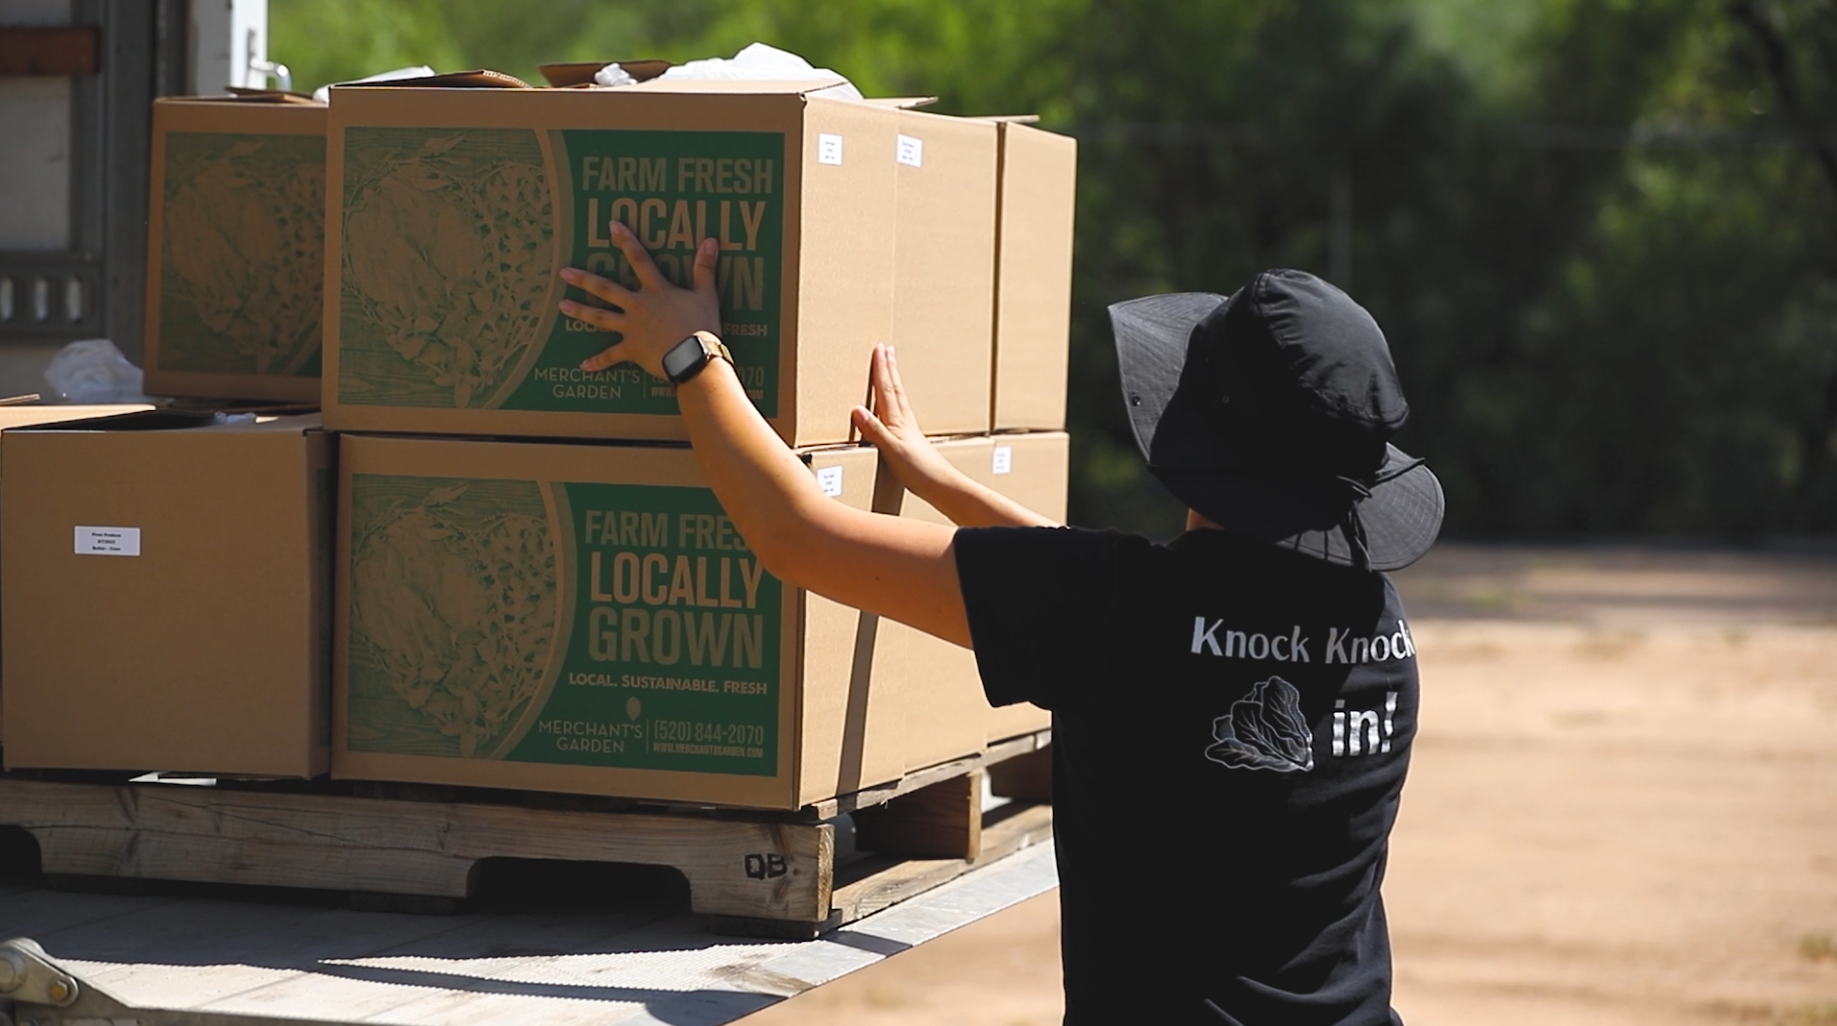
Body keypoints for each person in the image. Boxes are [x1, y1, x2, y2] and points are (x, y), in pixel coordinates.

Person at [560, 223, 1442, 1026]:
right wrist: (935, 480)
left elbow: (796, 537)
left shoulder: (1114, 610)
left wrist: (687, 352)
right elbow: (1114, 604)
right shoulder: (1377, 626)